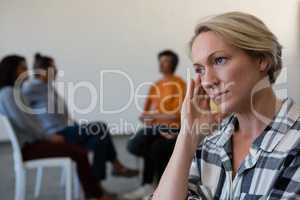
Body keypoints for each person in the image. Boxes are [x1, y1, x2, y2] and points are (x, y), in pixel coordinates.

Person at [152, 12, 300, 200]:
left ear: (262, 59)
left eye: (219, 60)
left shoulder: (295, 141)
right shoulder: (211, 140)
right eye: (200, 70)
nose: (207, 81)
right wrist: (187, 136)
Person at [0, 55, 113, 200]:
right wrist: (49, 137)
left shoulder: (12, 93)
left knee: (92, 144)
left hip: (36, 141)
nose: (26, 71)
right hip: (31, 146)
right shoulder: (10, 94)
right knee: (81, 152)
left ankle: (96, 192)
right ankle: (96, 195)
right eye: (22, 68)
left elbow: (30, 121)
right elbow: (26, 124)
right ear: (11, 70)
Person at [21, 53, 139, 184]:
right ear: (44, 70)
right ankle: (116, 168)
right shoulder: (32, 86)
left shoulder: (47, 87)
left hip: (66, 129)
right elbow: (20, 109)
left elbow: (62, 115)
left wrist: (77, 126)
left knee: (99, 141)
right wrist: (42, 132)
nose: (57, 71)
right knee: (100, 127)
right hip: (57, 134)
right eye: (54, 67)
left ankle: (96, 188)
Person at [124, 50, 186, 199]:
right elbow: (145, 114)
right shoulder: (155, 85)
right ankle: (153, 186)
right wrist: (149, 118)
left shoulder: (180, 84)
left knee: (148, 145)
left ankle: (150, 186)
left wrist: (154, 116)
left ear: (173, 64)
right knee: (151, 146)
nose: (162, 64)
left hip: (173, 128)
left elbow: (178, 114)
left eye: (166, 61)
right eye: (161, 60)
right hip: (155, 129)